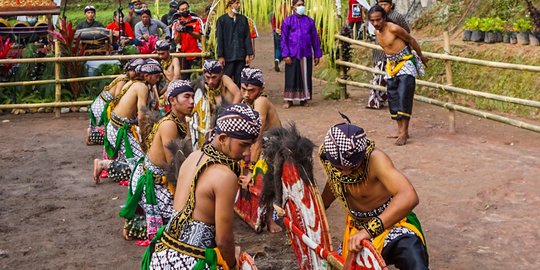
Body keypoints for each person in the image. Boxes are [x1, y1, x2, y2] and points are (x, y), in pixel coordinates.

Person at [143, 104, 262, 270]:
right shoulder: (225, 176)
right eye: (243, 145)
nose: (247, 153)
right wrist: (234, 266)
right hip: (188, 262)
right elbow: (223, 240)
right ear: (222, 139)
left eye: (250, 146)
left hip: (161, 257)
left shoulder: (194, 156)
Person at [319, 115, 428, 269]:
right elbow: (334, 183)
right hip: (356, 231)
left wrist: (368, 231)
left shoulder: (376, 159)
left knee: (412, 252)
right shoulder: (328, 155)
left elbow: (409, 196)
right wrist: (319, 207)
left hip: (392, 224)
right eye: (339, 168)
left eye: (352, 167)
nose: (345, 173)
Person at [120, 79, 194, 241]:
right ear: (173, 100)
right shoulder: (170, 125)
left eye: (192, 97)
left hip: (159, 178)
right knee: (182, 224)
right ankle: (135, 226)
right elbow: (173, 166)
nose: (192, 102)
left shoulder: (180, 121)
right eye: (187, 97)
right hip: (152, 183)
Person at [93, 60, 163, 183]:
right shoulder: (142, 87)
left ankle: (109, 163)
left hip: (115, 126)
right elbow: (141, 116)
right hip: (119, 130)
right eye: (156, 76)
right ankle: (103, 164)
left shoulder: (133, 83)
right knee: (141, 167)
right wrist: (144, 137)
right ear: (146, 76)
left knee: (138, 161)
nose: (157, 80)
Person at [368, 5, 427, 145]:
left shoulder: (394, 28)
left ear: (384, 18)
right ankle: (400, 130)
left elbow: (411, 40)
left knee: (404, 94)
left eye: (378, 20)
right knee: (393, 96)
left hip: (405, 62)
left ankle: (405, 132)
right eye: (372, 21)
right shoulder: (376, 32)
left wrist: (421, 56)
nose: (376, 23)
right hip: (391, 65)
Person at [239, 67, 282, 233]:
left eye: (251, 90)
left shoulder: (261, 101)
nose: (246, 94)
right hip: (259, 145)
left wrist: (251, 169)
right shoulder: (246, 102)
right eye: (243, 89)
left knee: (263, 172)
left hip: (273, 147)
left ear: (261, 90)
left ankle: (270, 218)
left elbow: (257, 137)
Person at [86, 58, 144, 145]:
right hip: (103, 105)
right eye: (132, 71)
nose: (134, 73)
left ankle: (95, 131)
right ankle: (93, 135)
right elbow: (117, 98)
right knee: (115, 135)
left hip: (102, 103)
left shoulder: (126, 80)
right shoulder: (123, 80)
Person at [367, 0, 410, 110]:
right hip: (379, 52)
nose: (383, 6)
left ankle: (386, 100)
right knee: (378, 76)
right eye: (380, 4)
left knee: (390, 78)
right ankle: (374, 101)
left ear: (391, 5)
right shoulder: (375, 15)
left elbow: (406, 31)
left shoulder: (396, 17)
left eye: (385, 4)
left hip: (394, 54)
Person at [189, 59, 242, 149]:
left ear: (220, 74)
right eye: (208, 77)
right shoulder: (202, 85)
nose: (210, 81)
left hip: (228, 120)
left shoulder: (225, 79)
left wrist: (229, 115)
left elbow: (238, 94)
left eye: (214, 77)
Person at [281, 0, 322, 109]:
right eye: (298, 5)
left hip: (306, 52)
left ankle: (304, 99)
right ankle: (289, 100)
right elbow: (284, 39)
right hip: (292, 53)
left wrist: (317, 54)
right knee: (291, 76)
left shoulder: (309, 21)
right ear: (293, 7)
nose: (301, 7)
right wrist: (285, 54)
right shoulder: (287, 21)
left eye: (302, 5)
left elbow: (315, 38)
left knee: (305, 75)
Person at [216, 0, 253, 88]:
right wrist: (220, 56)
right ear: (230, 5)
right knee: (227, 79)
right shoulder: (222, 20)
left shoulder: (243, 19)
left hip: (241, 55)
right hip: (228, 56)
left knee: (240, 79)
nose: (239, 5)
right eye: (237, 3)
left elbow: (247, 37)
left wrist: (248, 54)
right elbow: (220, 39)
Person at [172, 1, 202, 80]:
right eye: (182, 9)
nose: (185, 10)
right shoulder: (176, 23)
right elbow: (176, 40)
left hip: (196, 53)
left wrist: (189, 31)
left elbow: (200, 35)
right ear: (178, 11)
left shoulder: (196, 20)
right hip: (183, 55)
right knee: (184, 78)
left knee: (196, 78)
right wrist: (179, 30)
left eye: (186, 8)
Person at [271, 4, 290, 72]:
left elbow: (273, 19)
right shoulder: (290, 8)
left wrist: (275, 28)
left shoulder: (278, 8)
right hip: (287, 32)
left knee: (278, 47)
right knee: (286, 47)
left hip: (277, 31)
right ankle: (282, 59)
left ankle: (277, 59)